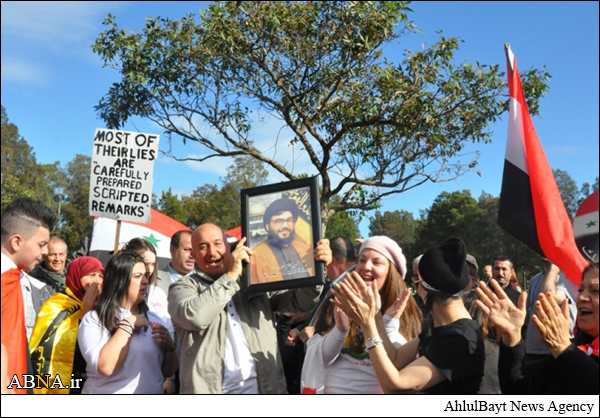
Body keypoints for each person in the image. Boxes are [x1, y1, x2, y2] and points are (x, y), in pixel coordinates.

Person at [168, 223, 330, 394]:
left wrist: (318, 268)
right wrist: (230, 277)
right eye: (203, 247)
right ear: (193, 254)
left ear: (228, 247)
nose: (212, 252)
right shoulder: (182, 287)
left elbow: (300, 302)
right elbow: (196, 317)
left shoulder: (254, 279)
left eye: (217, 244)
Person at [333, 237, 484, 394]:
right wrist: (375, 314)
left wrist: (367, 324)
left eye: (416, 280)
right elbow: (395, 359)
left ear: (424, 286)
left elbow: (395, 386)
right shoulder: (436, 327)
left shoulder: (460, 339)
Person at [303, 236, 422, 394]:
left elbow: (400, 367)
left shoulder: (404, 313)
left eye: (377, 262)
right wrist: (340, 330)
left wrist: (386, 324)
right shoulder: (338, 300)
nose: (366, 267)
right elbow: (318, 359)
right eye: (362, 260)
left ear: (392, 272)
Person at [476, 263, 599, 394]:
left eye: (596, 290)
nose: (582, 298)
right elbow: (520, 389)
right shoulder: (576, 349)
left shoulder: (567, 351)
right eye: (580, 290)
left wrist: (563, 348)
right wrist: (512, 339)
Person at [78, 251, 178, 393]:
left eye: (146, 276)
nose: (145, 281)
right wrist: (128, 325)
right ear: (119, 280)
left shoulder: (154, 319)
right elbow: (106, 367)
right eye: (137, 276)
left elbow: (166, 372)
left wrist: (170, 347)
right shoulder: (95, 319)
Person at [1, 197, 56, 394]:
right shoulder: (4, 279)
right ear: (16, 241)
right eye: (41, 244)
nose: (45, 253)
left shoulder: (14, 278)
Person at [29, 256, 105, 394]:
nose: (97, 281)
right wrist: (85, 312)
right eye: (92, 274)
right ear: (77, 275)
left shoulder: (104, 307)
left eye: (101, 276)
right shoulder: (57, 304)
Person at [123, 237, 176, 393]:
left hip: (152, 379)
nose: (150, 269)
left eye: (153, 264)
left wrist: (169, 377)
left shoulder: (158, 294)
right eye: (146, 263)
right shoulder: (111, 296)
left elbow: (169, 337)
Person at [250, 198, 315, 283]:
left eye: (289, 220)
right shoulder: (254, 256)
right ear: (267, 226)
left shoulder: (306, 250)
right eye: (278, 221)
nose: (285, 225)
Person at [524, 259, 576, 362]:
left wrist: (554, 267)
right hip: (532, 350)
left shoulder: (569, 278)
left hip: (557, 350)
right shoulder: (535, 279)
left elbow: (548, 296)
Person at [156, 230, 194, 296]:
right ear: (172, 250)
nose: (192, 255)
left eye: (195, 250)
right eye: (187, 250)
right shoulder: (152, 280)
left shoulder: (208, 283)